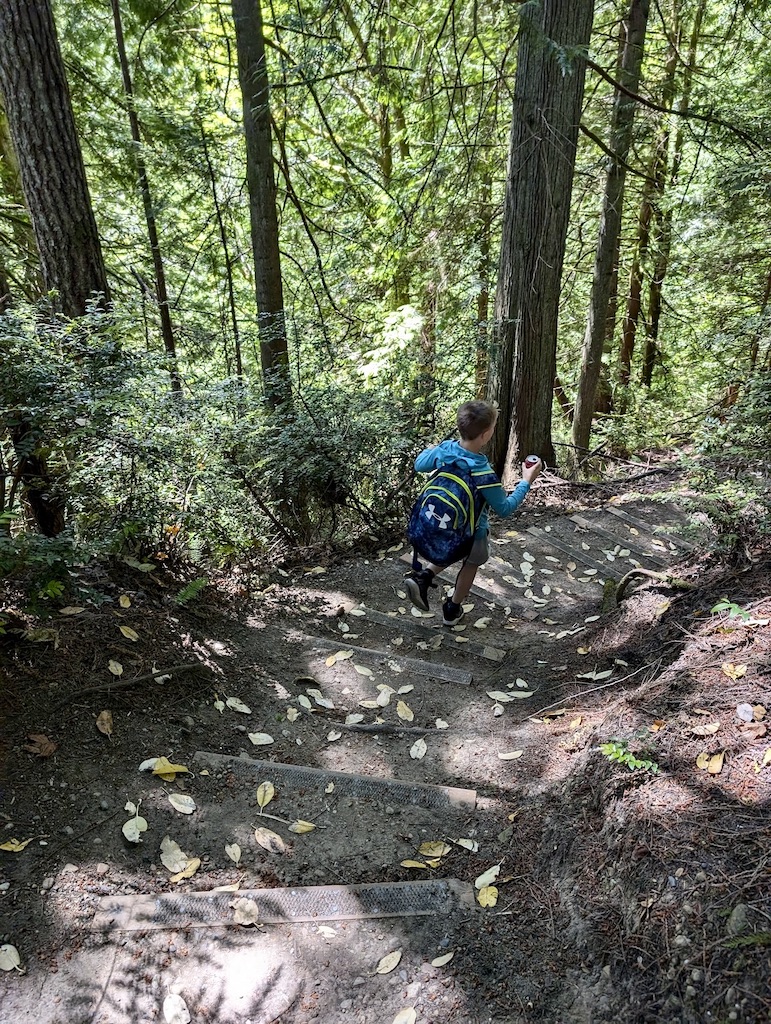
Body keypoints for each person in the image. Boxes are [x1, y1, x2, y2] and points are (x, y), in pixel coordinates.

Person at [404, 399, 542, 625]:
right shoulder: (483, 473)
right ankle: (452, 609)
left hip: (435, 525)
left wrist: (435, 449)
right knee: (472, 562)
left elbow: (419, 465)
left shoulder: (447, 449)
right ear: (486, 435)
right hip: (472, 533)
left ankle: (423, 577)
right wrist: (526, 481)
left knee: (454, 544)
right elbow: (505, 508)